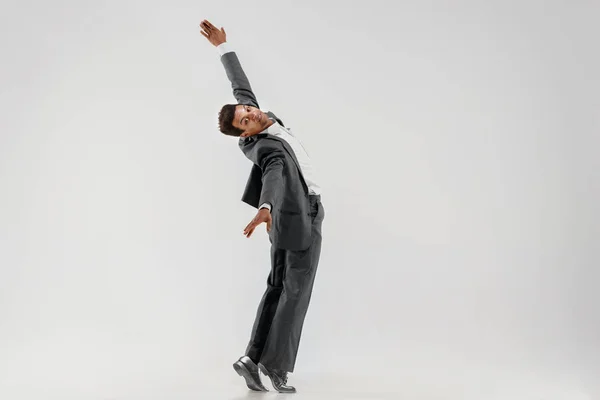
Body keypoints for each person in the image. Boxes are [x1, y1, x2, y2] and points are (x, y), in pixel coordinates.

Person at [199, 19, 325, 394]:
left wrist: (223, 46)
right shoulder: (263, 147)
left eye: (245, 110)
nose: (249, 113)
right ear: (246, 135)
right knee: (295, 291)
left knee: (278, 288)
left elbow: (240, 84)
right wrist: (266, 206)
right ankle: (275, 367)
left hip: (291, 216)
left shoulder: (255, 113)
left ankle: (251, 359)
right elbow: (273, 174)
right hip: (301, 216)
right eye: (244, 121)